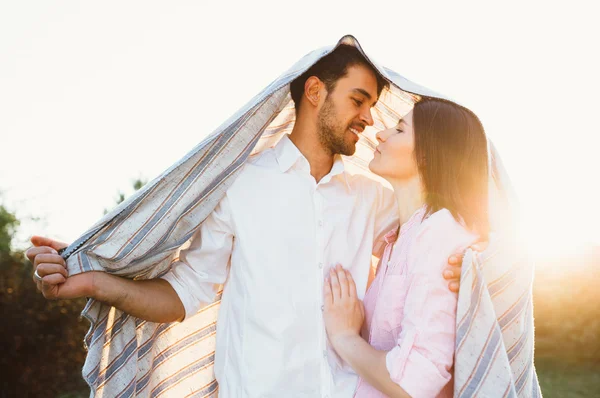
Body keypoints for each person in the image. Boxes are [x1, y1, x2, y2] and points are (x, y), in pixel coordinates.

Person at [26, 45, 470, 397]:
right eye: (359, 100)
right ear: (315, 92)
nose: (370, 119)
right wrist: (95, 276)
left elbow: (433, 233)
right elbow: (186, 293)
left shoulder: (374, 199)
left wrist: (468, 262)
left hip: (347, 391)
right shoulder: (239, 186)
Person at [323, 98, 489, 397]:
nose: (381, 134)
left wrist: (345, 337)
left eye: (399, 130)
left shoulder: (441, 232)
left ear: (427, 153)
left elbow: (414, 382)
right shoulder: (397, 239)